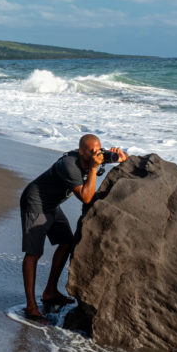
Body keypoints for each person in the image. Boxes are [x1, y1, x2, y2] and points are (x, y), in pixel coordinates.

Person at [20, 133, 127, 322]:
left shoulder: (92, 159)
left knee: (67, 243)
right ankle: (31, 307)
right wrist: (94, 168)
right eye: (93, 151)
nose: (97, 154)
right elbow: (86, 197)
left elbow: (110, 160)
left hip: (52, 205)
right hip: (36, 202)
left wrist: (120, 157)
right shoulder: (69, 165)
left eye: (99, 149)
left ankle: (50, 292)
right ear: (81, 151)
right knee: (34, 253)